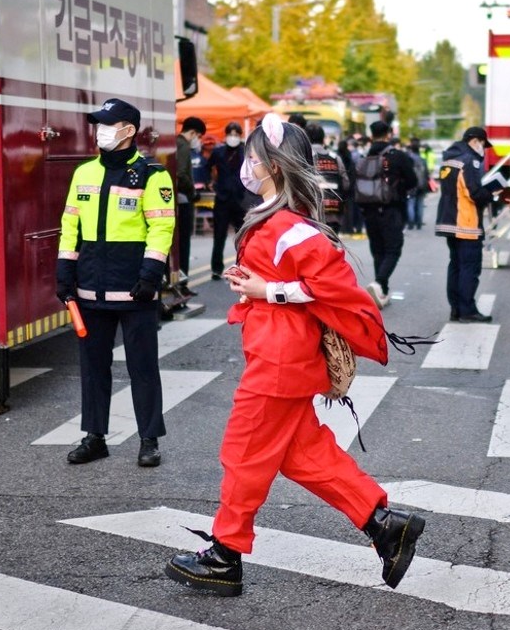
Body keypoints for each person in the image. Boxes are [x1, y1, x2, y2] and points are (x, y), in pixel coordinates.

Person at [164, 114, 425, 596]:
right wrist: (259, 288)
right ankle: (384, 522)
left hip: (279, 360)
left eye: (255, 157)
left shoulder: (288, 226)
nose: (248, 163)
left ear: (275, 166)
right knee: (304, 455)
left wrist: (270, 290)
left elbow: (337, 289)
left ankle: (225, 554)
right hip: (277, 354)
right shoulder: (276, 218)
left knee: (242, 453)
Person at [55, 98, 175, 467]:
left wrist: (150, 275)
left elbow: (161, 226)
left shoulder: (153, 175)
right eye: (98, 124)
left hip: (135, 289)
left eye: (108, 124)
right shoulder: (84, 173)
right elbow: (70, 225)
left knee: (142, 367)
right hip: (91, 288)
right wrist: (64, 270)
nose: (100, 130)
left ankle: (149, 439)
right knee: (93, 367)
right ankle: (95, 437)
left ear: (129, 130)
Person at [435, 127, 499, 322]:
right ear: (475, 141)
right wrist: (492, 194)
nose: (483, 150)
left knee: (455, 266)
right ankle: (467, 310)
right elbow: (474, 193)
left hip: (448, 221)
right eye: (483, 145)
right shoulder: (469, 160)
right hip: (466, 222)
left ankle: (456, 309)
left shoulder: (449, 159)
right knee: (469, 268)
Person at [356, 120, 417, 307]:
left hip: (369, 210)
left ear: (371, 134)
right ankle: (380, 283)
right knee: (393, 248)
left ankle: (382, 291)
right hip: (391, 209)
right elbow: (412, 180)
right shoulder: (397, 156)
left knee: (378, 250)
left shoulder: (364, 157)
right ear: (389, 134)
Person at [208, 122, 259, 280]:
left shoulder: (246, 150)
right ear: (226, 135)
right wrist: (211, 183)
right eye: (231, 133)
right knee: (219, 235)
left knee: (243, 236)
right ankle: (216, 268)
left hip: (241, 198)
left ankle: (243, 266)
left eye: (236, 134)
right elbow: (207, 167)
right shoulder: (218, 152)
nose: (234, 137)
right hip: (222, 198)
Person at [175, 117, 206, 282]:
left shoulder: (175, 143)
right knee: (184, 242)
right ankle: (183, 279)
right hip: (184, 200)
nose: (198, 141)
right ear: (193, 133)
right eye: (199, 137)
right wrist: (193, 192)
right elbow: (181, 173)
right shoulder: (184, 146)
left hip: (177, 199)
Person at [308, 122, 349, 234]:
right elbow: (346, 184)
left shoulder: (305, 158)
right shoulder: (335, 158)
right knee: (332, 247)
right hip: (334, 210)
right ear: (323, 139)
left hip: (313, 213)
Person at [406, 137, 430, 230]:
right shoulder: (423, 159)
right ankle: (419, 223)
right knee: (420, 203)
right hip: (422, 184)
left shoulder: (408, 159)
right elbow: (427, 173)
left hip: (411, 184)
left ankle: (411, 223)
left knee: (411, 203)